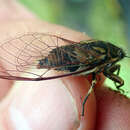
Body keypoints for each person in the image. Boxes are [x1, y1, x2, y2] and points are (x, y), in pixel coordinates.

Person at [0, 0, 130, 130]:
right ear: (111, 57)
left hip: (71, 53)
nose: (116, 63)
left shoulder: (105, 53)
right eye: (116, 58)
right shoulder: (102, 59)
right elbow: (96, 78)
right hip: (69, 60)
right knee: (92, 83)